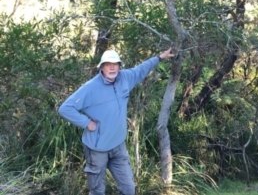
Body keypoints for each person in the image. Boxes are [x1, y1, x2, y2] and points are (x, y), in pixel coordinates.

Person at [58, 47, 174, 195]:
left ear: (120, 66)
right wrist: (86, 123)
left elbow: (141, 69)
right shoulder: (90, 88)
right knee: (97, 191)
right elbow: (65, 108)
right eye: (108, 64)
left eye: (115, 64)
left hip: (118, 146)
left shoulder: (125, 78)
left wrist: (159, 57)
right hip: (97, 149)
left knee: (129, 189)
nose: (112, 67)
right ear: (101, 67)